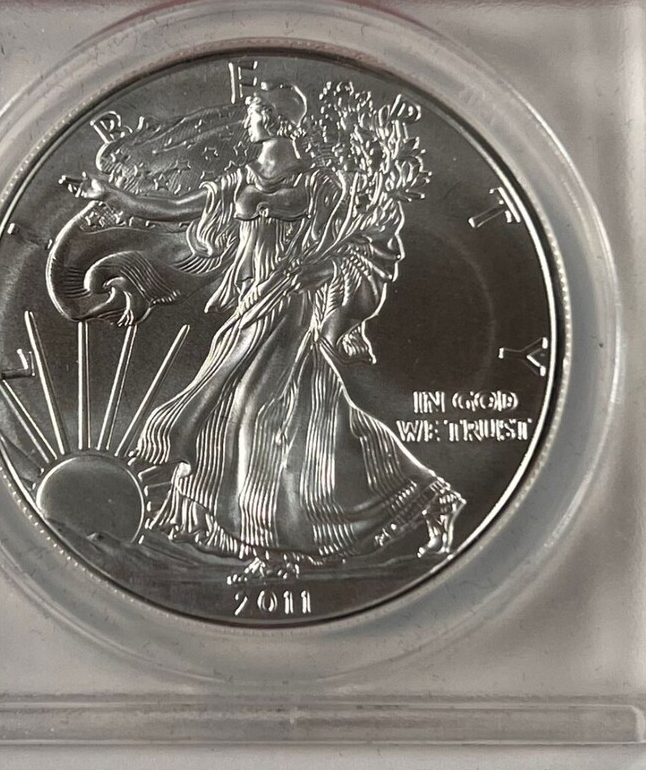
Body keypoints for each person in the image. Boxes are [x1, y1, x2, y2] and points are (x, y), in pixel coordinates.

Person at [62, 82, 464, 574]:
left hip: (292, 307)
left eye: (253, 113)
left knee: (255, 416)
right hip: (253, 303)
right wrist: (113, 195)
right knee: (315, 415)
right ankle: (431, 498)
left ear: (275, 119)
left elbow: (354, 247)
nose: (247, 121)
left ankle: (270, 547)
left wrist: (324, 271)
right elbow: (175, 209)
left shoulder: (323, 183)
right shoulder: (241, 179)